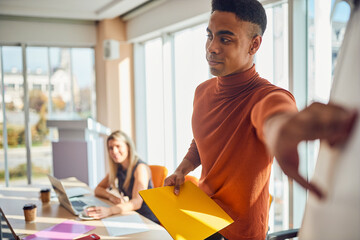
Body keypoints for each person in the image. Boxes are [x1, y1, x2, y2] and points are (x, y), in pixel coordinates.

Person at [164, 0, 357, 239]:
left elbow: (272, 115)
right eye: (209, 35)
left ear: (254, 45)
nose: (212, 47)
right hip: (201, 219)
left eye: (225, 39)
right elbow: (201, 139)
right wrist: (182, 169)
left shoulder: (266, 96)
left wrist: (281, 127)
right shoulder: (202, 91)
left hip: (240, 233)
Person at [86, 130, 159, 223]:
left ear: (128, 146)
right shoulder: (118, 168)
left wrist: (110, 210)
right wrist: (111, 197)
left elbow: (137, 202)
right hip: (131, 214)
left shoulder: (140, 168)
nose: (114, 151)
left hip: (147, 219)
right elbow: (98, 189)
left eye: (118, 146)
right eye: (111, 148)